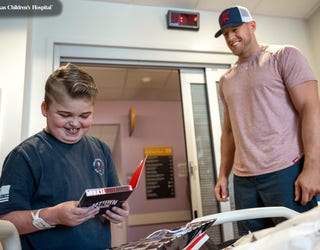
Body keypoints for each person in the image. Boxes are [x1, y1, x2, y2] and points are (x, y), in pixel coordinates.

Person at [213, 6, 320, 235]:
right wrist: (223, 174)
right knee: (254, 243)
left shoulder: (283, 56)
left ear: (252, 26)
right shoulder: (226, 80)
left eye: (235, 29)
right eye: (225, 34)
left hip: (285, 172)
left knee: (299, 241)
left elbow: (310, 108)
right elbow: (229, 131)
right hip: (244, 181)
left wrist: (313, 167)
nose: (231, 38)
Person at [0, 63, 129, 249]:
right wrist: (54, 216)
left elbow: (114, 201)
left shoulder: (101, 149)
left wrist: (120, 211)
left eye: (85, 115)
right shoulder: (24, 156)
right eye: (65, 114)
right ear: (45, 109)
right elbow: (5, 222)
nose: (75, 124)